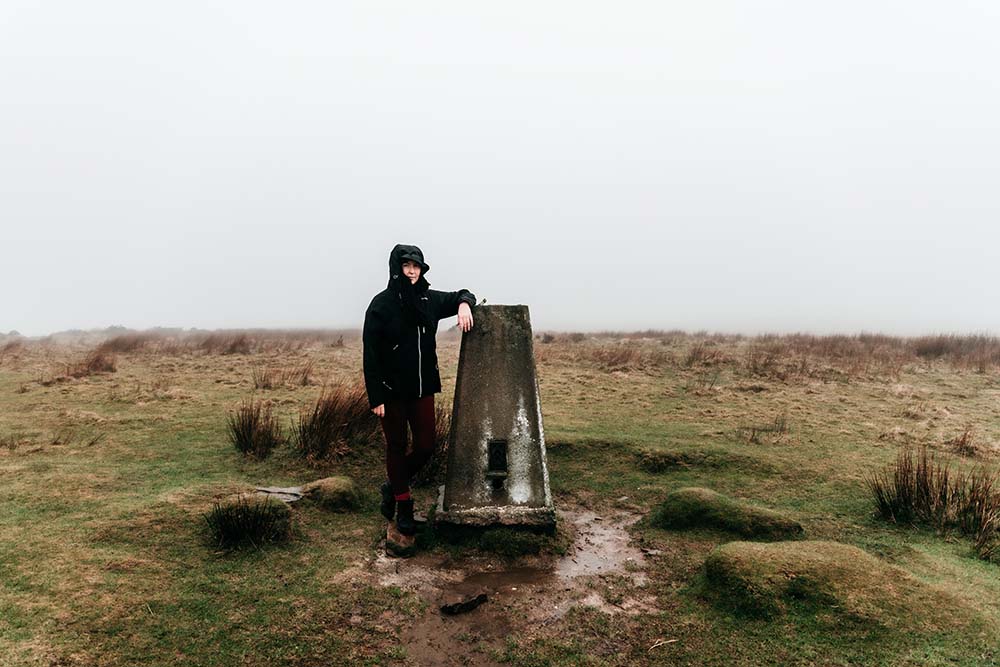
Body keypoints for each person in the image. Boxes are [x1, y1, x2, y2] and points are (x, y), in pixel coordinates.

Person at [362, 244, 475, 537]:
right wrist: (376, 396)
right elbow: (370, 353)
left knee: (426, 446)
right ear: (396, 268)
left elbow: (464, 294)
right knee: (396, 446)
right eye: (406, 265)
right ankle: (404, 505)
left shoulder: (429, 299)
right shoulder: (381, 304)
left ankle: (392, 484)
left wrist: (464, 305)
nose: (412, 271)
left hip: (423, 388)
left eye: (417, 266)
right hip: (391, 392)